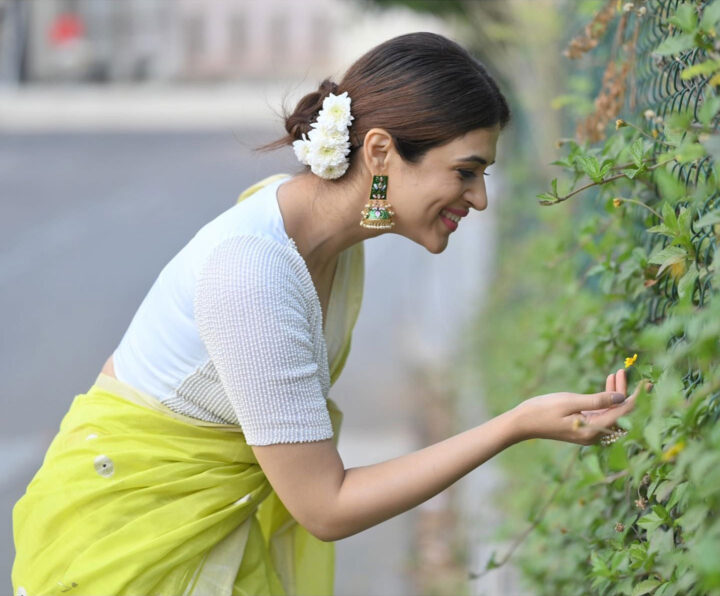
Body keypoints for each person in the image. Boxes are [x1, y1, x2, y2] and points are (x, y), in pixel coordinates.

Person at [12, 31, 641, 596]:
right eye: (466, 172)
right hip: (125, 551)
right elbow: (326, 506)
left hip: (205, 536)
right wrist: (515, 425)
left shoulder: (326, 236)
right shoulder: (255, 270)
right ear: (379, 151)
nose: (478, 198)